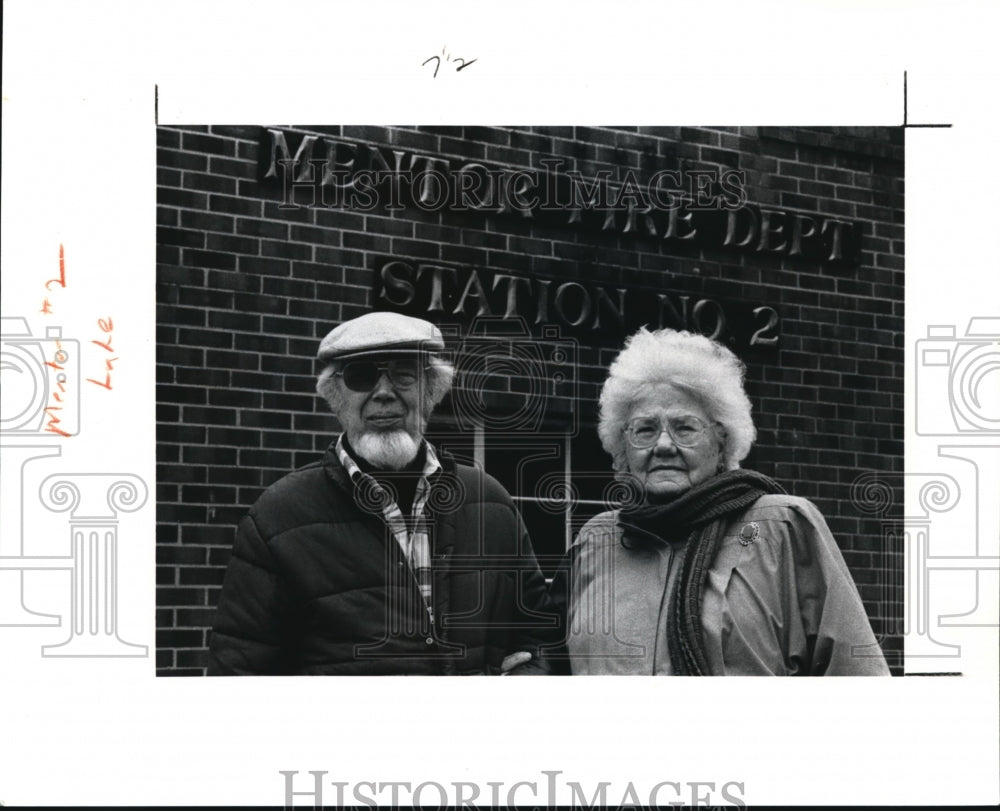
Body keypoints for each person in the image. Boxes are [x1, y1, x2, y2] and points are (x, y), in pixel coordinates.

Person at [208, 311, 555, 675]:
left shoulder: (491, 503)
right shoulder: (277, 517)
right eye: (362, 377)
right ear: (335, 396)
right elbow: (238, 676)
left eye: (404, 375)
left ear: (432, 390)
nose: (385, 393)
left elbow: (541, 638)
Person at [550, 327, 890, 675]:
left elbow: (858, 680)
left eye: (685, 428)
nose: (664, 444)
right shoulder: (595, 541)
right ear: (622, 445)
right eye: (645, 429)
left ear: (722, 440)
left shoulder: (779, 527)